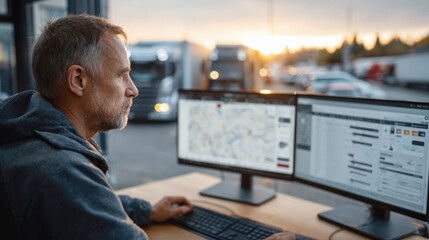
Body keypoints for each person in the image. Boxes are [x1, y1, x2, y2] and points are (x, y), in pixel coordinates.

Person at [0, 14, 294, 240]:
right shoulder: (60, 169)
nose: (134, 90)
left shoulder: (31, 127)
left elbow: (87, 202)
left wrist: (147, 210)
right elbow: (75, 190)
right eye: (123, 75)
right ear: (78, 80)